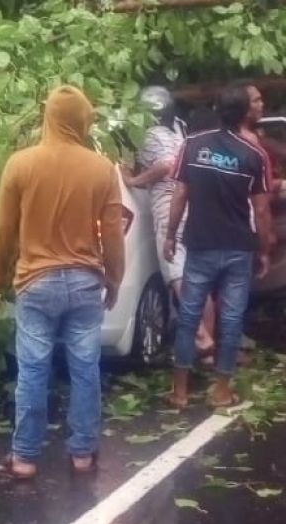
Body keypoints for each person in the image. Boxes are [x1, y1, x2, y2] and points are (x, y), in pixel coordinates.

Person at [0, 85, 125, 477]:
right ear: (83, 120)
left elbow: (3, 231)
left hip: (36, 282)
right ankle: (82, 454)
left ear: (46, 117)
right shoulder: (101, 168)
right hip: (84, 284)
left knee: (32, 370)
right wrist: (114, 278)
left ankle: (25, 457)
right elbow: (112, 234)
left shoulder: (20, 164)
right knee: (86, 368)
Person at [164, 83, 273, 408]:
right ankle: (222, 391)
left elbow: (179, 195)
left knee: (188, 317)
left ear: (217, 109)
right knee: (231, 319)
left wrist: (170, 235)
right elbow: (262, 209)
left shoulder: (192, 145)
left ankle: (180, 392)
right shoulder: (255, 154)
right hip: (238, 248)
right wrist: (264, 249)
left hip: (199, 245)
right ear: (244, 113)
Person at [122, 86, 215, 360]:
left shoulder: (149, 134)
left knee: (176, 275)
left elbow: (166, 165)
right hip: (191, 205)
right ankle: (207, 350)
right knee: (199, 280)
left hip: (168, 208)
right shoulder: (179, 131)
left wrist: (133, 181)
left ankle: (201, 334)